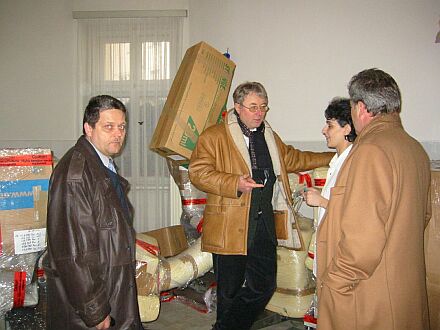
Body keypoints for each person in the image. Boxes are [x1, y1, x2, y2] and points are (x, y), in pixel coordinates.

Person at [189, 81, 334, 330]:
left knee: (264, 285)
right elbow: (198, 172)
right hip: (229, 225)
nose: (259, 113)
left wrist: (339, 154)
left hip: (263, 224)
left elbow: (295, 158)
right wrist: (234, 182)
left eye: (263, 107)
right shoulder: (214, 136)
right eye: (253, 107)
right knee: (229, 291)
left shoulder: (269, 136)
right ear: (237, 107)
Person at [317, 69, 431, 330]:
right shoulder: (414, 149)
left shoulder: (370, 151)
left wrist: (335, 282)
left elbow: (362, 239)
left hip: (370, 293)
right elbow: (422, 216)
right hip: (403, 286)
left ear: (361, 108)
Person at [43, 95, 142, 329]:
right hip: (89, 305)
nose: (118, 134)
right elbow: (74, 253)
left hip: (111, 287)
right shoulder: (75, 176)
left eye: (121, 127)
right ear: (88, 128)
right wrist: (95, 311)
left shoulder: (101, 163)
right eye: (108, 127)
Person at [303, 97, 357, 276]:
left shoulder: (354, 163)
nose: (324, 130)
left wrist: (321, 201)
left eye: (330, 125)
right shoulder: (338, 160)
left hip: (341, 251)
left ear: (347, 129)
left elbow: (355, 212)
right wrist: (321, 193)